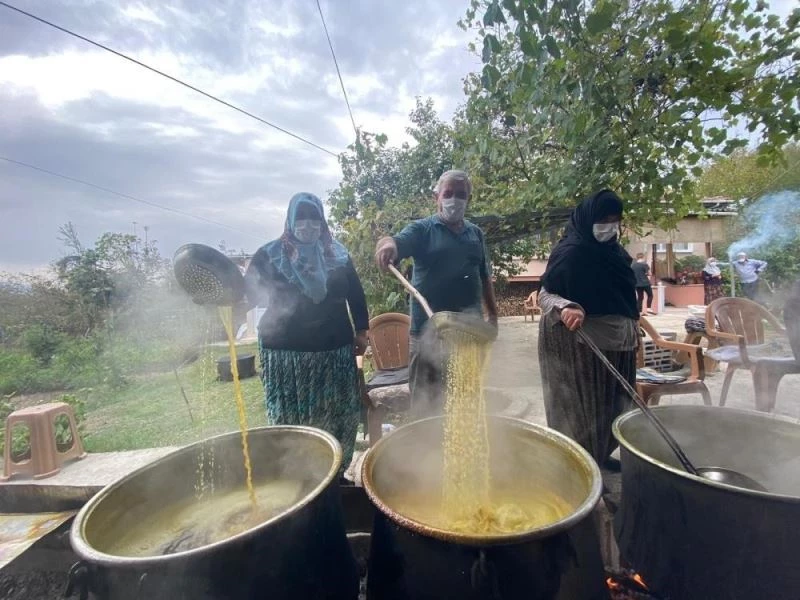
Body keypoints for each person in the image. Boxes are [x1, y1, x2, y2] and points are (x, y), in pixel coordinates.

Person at [245, 193, 369, 480]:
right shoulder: (270, 254)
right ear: (290, 221)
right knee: (292, 419)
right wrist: (228, 302)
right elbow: (247, 295)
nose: (308, 225)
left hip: (334, 354)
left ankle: (333, 473)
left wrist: (362, 330)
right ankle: (295, 476)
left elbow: (356, 295)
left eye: (314, 219)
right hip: (286, 358)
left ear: (322, 221)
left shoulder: (337, 254)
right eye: (301, 219)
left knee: (337, 413)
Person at [374, 169, 498, 413]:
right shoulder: (423, 230)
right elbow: (394, 242)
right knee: (425, 409)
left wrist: (492, 315)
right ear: (437, 197)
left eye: (460, 194)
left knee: (465, 406)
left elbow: (484, 276)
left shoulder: (476, 234)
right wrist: (386, 245)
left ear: (468, 199)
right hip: (426, 336)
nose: (454, 200)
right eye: (448, 193)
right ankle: (425, 450)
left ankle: (461, 451)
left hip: (468, 336)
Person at [537, 189, 639, 468]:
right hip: (580, 345)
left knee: (612, 406)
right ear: (588, 218)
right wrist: (567, 307)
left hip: (618, 342)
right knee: (580, 410)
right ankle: (578, 468)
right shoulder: (570, 252)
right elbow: (545, 295)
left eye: (615, 219)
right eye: (603, 219)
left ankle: (600, 456)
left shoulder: (616, 253)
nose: (609, 226)